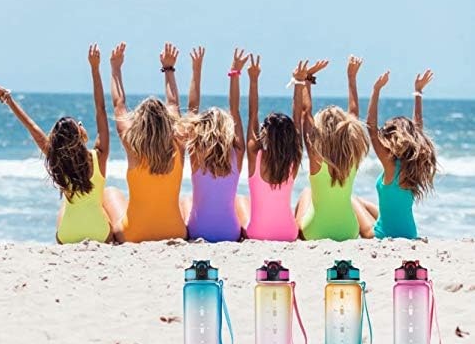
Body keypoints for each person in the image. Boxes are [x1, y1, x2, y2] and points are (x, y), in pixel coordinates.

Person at [0, 44, 113, 244]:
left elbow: (31, 126)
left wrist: (7, 98)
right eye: (78, 125)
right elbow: (100, 109)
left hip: (67, 236)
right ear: (80, 136)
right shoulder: (100, 155)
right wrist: (95, 69)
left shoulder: (57, 159)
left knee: (65, 206)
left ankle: (74, 228)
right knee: (107, 199)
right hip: (100, 234)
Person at [235, 54, 328, 241]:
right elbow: (298, 116)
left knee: (240, 200)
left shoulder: (255, 155)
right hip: (288, 233)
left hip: (257, 233)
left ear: (266, 134)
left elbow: (252, 114)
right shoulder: (294, 158)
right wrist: (299, 83)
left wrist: (253, 80)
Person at [103, 42, 187, 243]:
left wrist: (115, 69)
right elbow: (173, 103)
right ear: (168, 122)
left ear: (138, 122)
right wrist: (169, 69)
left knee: (109, 193)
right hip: (175, 231)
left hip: (133, 234)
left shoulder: (132, 146)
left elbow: (119, 104)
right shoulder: (179, 142)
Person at [296, 55, 371, 241]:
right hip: (348, 230)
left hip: (315, 231)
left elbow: (305, 112)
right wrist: (351, 77)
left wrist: (307, 80)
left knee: (306, 192)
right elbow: (354, 113)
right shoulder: (353, 155)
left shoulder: (315, 156)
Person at [360, 69, 437, 239]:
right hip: (410, 233)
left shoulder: (390, 164)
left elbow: (371, 127)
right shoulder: (413, 164)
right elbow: (418, 129)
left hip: (383, 234)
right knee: (367, 206)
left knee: (354, 202)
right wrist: (418, 92)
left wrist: (376, 90)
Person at [179, 48, 246, 242]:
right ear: (228, 128)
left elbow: (192, 109)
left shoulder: (195, 153)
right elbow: (235, 109)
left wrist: (196, 69)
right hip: (230, 233)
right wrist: (235, 73)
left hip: (198, 230)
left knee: (185, 201)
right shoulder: (238, 152)